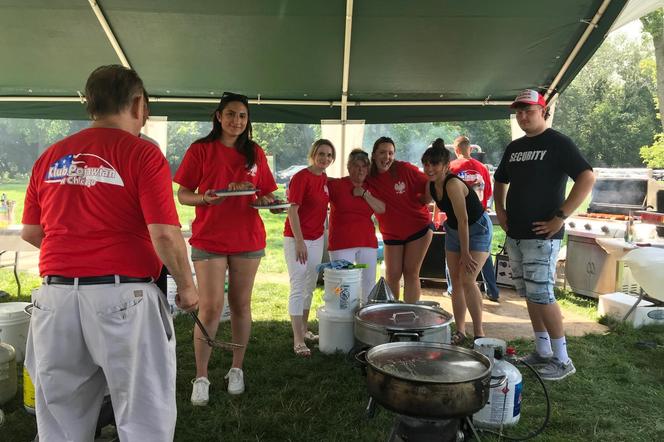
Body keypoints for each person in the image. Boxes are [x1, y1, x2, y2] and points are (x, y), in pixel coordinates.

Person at [21, 65, 198, 441]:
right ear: (137, 104)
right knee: (144, 416)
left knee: (60, 423)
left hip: (54, 299)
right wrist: (187, 284)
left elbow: (33, 232)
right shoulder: (142, 154)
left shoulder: (50, 157)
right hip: (125, 299)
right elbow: (166, 235)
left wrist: (76, 256)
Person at [174, 92, 278, 403]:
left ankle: (236, 369)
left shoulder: (254, 152)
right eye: (231, 114)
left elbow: (267, 194)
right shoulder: (201, 149)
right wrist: (205, 198)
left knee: (241, 305)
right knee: (210, 307)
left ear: (248, 121)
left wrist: (268, 202)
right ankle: (201, 375)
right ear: (219, 117)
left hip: (247, 237)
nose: (237, 121)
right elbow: (183, 194)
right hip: (210, 238)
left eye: (243, 116)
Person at [494, 89, 595, 381]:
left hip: (542, 236)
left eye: (529, 110)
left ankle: (563, 359)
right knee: (529, 294)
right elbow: (500, 179)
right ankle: (542, 351)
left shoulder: (558, 143)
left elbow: (587, 177)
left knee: (543, 294)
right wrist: (500, 210)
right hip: (516, 234)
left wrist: (560, 217)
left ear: (544, 111)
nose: (523, 116)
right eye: (519, 112)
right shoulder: (514, 148)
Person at [422, 138, 492, 344]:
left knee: (468, 280)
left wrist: (466, 252)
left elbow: (463, 219)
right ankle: (460, 331)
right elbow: (429, 202)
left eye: (434, 164)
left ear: (446, 166)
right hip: (454, 230)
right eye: (426, 164)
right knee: (456, 282)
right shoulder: (432, 185)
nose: (429, 168)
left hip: (476, 229)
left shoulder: (452, 184)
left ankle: (479, 334)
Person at [365, 136, 432, 302]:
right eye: (382, 152)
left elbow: (430, 183)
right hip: (391, 233)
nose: (386, 157)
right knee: (392, 274)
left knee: (411, 272)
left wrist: (427, 198)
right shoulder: (368, 177)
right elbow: (349, 183)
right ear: (373, 155)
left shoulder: (405, 169)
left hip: (418, 228)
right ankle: (393, 314)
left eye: (390, 153)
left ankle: (410, 315)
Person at [284, 139, 335, 357]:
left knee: (310, 283)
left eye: (329, 155)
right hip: (297, 239)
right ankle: (297, 339)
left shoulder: (324, 178)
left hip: (316, 238)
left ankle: (304, 330)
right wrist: (299, 241)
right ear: (313, 154)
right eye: (321, 154)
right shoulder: (301, 177)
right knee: (298, 284)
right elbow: (292, 210)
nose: (325, 158)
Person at [445, 135, 501, 302]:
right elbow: (489, 192)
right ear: (470, 149)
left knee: (452, 257)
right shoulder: (482, 167)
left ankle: (451, 289)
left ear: (456, 150)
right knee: (484, 256)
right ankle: (492, 290)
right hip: (480, 219)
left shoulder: (451, 167)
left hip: (458, 219)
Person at [328, 149, 386, 303]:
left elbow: (382, 209)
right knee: (341, 283)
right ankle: (341, 317)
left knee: (367, 283)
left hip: (367, 242)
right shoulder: (336, 185)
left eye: (364, 166)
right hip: (341, 243)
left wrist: (364, 194)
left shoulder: (370, 187)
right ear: (349, 167)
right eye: (356, 166)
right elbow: (315, 182)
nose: (360, 170)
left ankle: (364, 318)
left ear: (368, 169)